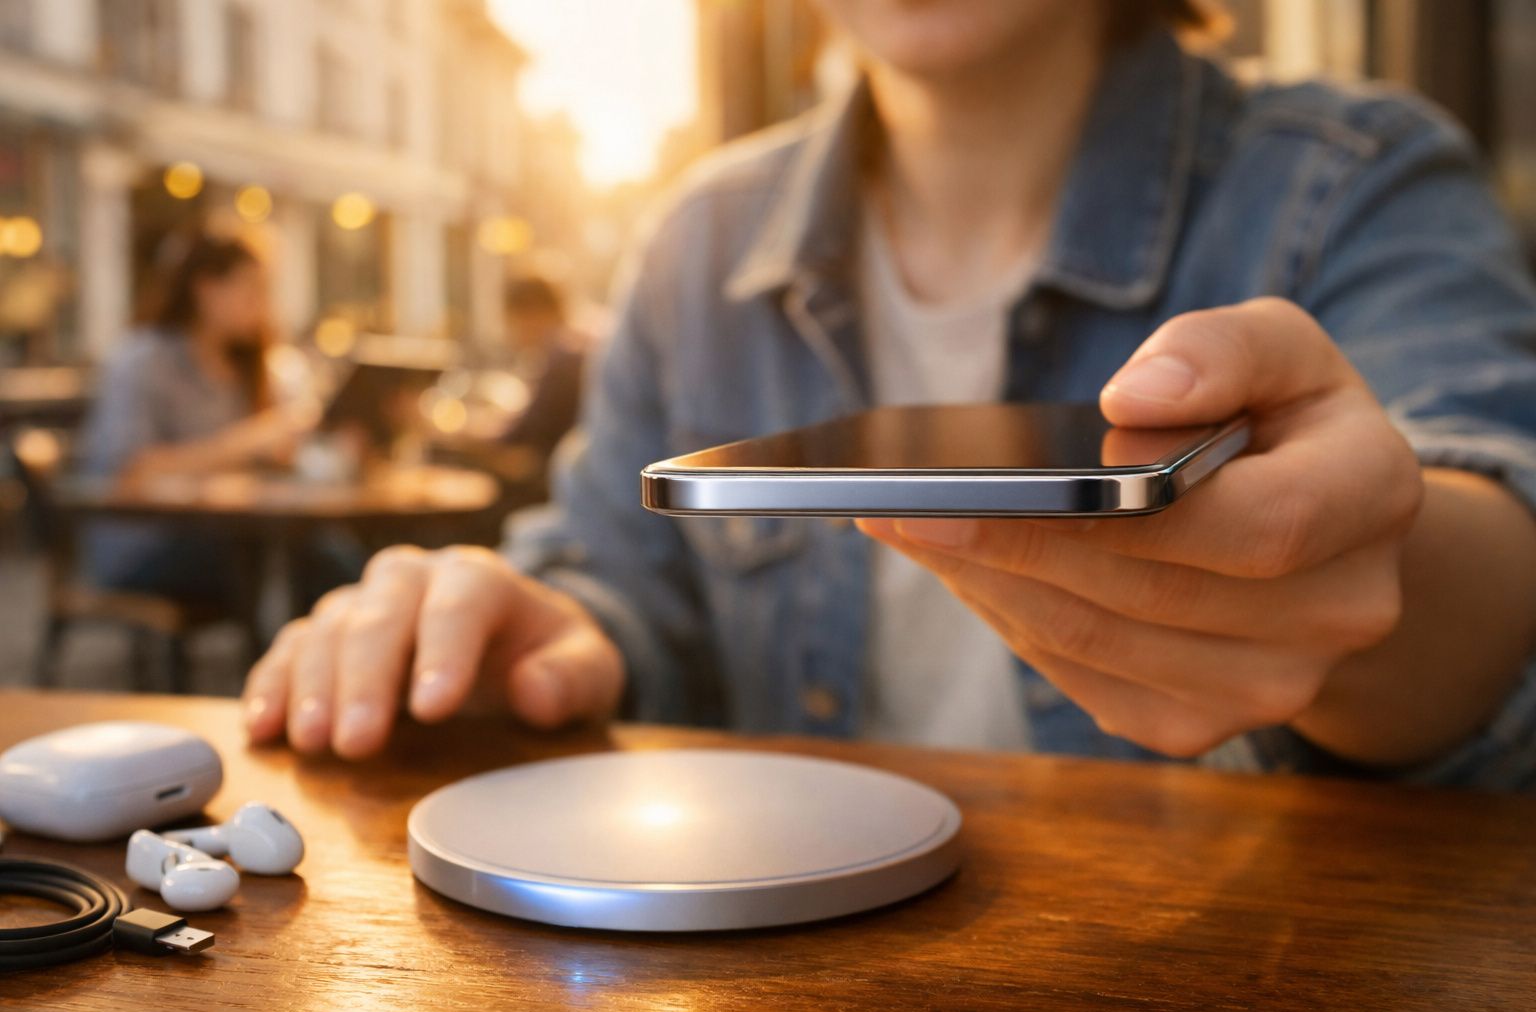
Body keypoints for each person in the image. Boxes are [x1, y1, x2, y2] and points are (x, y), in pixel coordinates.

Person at [244, 0, 1536, 790]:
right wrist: (532, 638)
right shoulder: (702, 240)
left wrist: (1368, 588)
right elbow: (619, 587)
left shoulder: (1355, 178)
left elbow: (1492, 531)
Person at [79, 233, 311, 606]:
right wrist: (246, 442)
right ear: (206, 289)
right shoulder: (142, 361)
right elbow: (129, 471)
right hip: (147, 543)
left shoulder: (247, 366)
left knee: (319, 546)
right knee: (275, 553)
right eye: (252, 289)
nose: (263, 304)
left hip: (228, 530)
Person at [498, 273, 587, 465]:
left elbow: (525, 443)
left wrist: (459, 436)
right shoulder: (568, 350)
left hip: (553, 473)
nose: (510, 330)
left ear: (532, 314)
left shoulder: (563, 360)